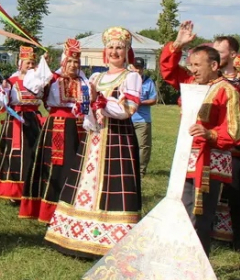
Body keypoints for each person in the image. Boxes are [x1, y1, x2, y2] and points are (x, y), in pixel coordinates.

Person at [45, 27, 143, 259]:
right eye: (111, 47)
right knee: (86, 182)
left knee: (113, 185)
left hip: (118, 138)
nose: (115, 51)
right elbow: (87, 107)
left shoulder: (131, 76)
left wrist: (102, 103)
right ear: (105, 52)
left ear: (127, 51)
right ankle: (79, 235)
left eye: (119, 47)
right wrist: (89, 109)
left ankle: (114, 236)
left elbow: (127, 109)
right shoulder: (95, 77)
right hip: (95, 139)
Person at [161, 21, 240, 256]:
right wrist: (177, 44)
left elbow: (233, 132)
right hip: (186, 157)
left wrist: (210, 134)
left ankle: (197, 265)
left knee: (201, 217)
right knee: (180, 210)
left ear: (214, 65)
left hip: (210, 161)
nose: (193, 70)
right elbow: (168, 71)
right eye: (191, 64)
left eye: (198, 65)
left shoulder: (227, 90)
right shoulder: (191, 84)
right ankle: (178, 258)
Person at [19, 39, 90, 223]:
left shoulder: (84, 81)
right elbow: (32, 86)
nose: (73, 65)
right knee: (55, 167)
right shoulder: (53, 78)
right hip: (57, 127)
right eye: (70, 61)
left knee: (77, 165)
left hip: (80, 128)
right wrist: (43, 66)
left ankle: (73, 207)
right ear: (63, 61)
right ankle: (50, 209)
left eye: (76, 62)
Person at [0, 46, 44, 203]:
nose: (30, 66)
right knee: (17, 155)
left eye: (33, 63)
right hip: (16, 122)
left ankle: (32, 189)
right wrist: (4, 90)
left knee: (34, 153)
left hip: (33, 120)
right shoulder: (11, 81)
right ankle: (15, 192)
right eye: (27, 63)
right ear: (20, 64)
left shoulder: (38, 83)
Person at [211, 36, 240, 250]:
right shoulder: (212, 79)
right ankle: (213, 233)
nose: (215, 56)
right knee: (213, 192)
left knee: (236, 194)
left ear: (232, 54)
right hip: (216, 143)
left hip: (236, 147)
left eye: (219, 52)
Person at [131, 57, 157, 177]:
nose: (137, 70)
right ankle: (128, 168)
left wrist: (140, 102)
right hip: (127, 118)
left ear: (143, 69)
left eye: (140, 68)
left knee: (143, 146)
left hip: (142, 120)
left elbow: (153, 100)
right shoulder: (126, 80)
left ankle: (141, 171)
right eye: (135, 68)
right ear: (131, 68)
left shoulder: (148, 82)